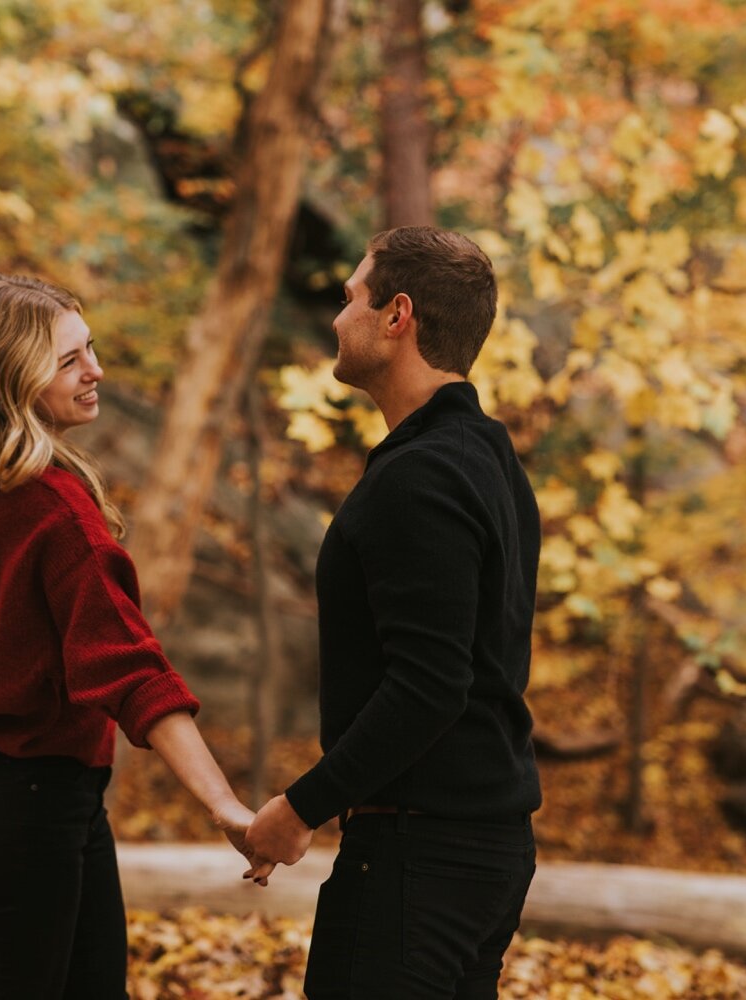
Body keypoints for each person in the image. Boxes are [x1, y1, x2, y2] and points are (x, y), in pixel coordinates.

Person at [0, 273, 257, 1000]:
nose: (96, 370)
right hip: (25, 807)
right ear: (15, 378)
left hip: (28, 795)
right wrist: (225, 804)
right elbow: (132, 671)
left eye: (90, 349)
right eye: (69, 360)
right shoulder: (51, 509)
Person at [244, 227, 543, 999]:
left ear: (396, 315)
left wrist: (299, 808)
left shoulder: (423, 478)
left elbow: (431, 683)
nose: (337, 318)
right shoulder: (490, 462)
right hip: (473, 852)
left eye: (350, 298)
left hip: (422, 855)